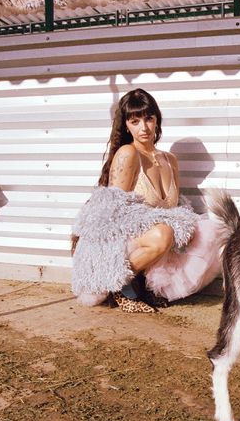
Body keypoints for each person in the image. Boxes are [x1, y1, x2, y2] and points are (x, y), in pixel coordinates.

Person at [71, 88, 222, 312]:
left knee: (211, 231)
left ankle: (148, 287)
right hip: (126, 239)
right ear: (127, 126)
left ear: (157, 121)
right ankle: (116, 285)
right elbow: (113, 212)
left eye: (149, 119)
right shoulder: (128, 154)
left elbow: (175, 210)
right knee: (164, 233)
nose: (144, 128)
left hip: (156, 239)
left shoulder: (170, 160)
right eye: (135, 121)